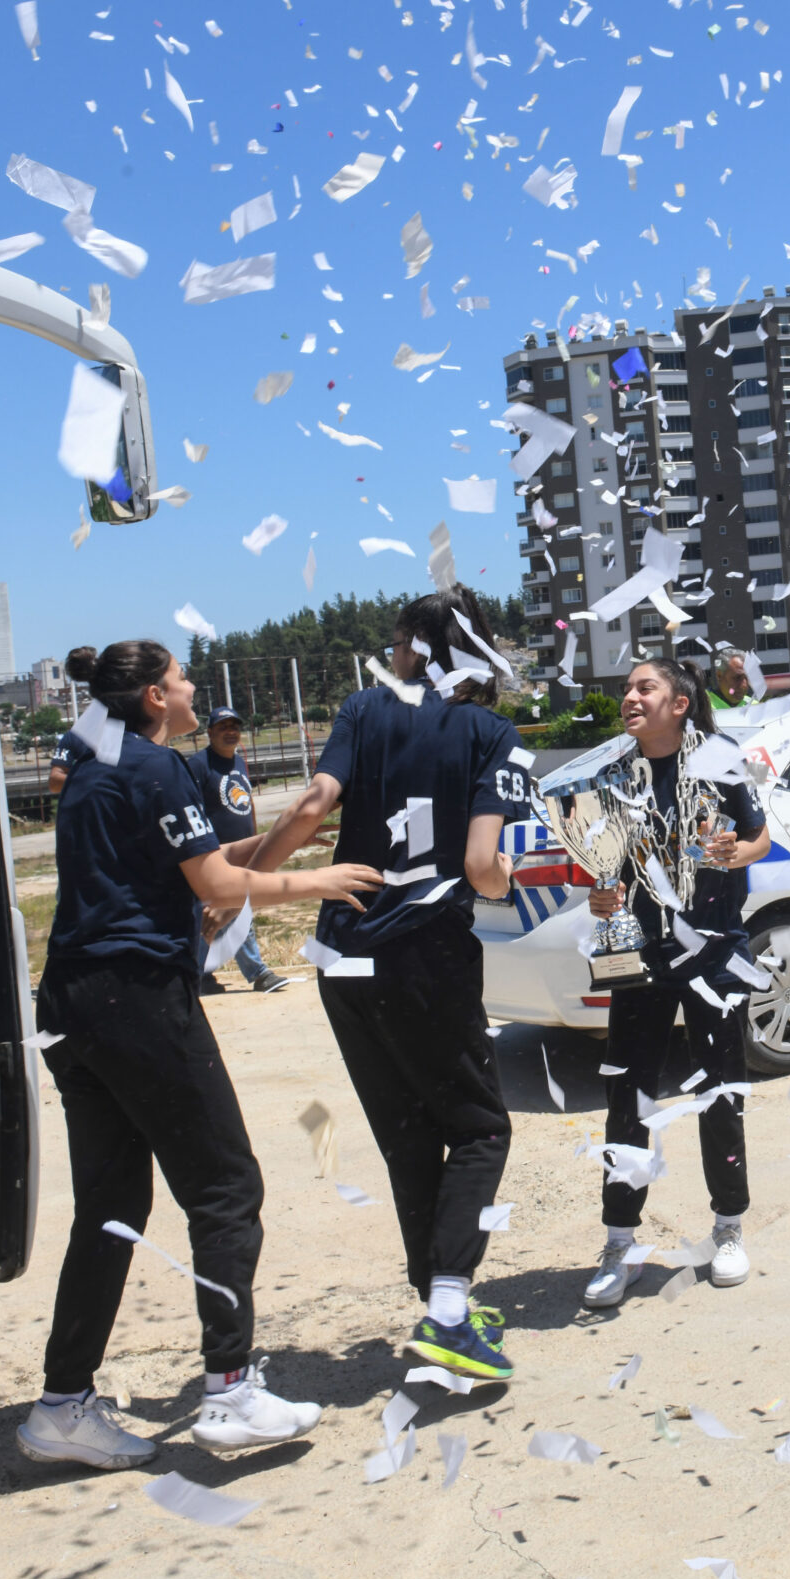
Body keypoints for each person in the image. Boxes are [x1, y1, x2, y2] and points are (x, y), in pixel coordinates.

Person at [17, 640, 382, 1470]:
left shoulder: (92, 762)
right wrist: (318, 881)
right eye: (181, 681)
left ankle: (61, 1403)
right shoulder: (158, 767)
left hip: (70, 999)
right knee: (225, 1187)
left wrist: (284, 841)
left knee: (111, 1205)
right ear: (154, 696)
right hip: (137, 998)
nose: (191, 692)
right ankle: (228, 1389)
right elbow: (217, 888)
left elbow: (203, 870)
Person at [250, 591, 532, 1379]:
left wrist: (240, 884)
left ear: (408, 643)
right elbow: (481, 865)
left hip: (343, 956)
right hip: (425, 954)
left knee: (408, 1132)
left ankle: (440, 1303)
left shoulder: (364, 709)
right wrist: (503, 878)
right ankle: (447, 1311)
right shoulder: (491, 733)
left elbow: (312, 806)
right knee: (479, 1129)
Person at [580, 657, 774, 1309]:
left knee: (721, 1089)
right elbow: (606, 865)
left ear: (679, 703)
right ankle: (619, 1244)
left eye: (644, 687)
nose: (629, 696)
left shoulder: (719, 759)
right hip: (642, 954)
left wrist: (736, 854)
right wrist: (602, 898)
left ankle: (727, 1228)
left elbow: (760, 836)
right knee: (627, 1098)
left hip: (715, 947)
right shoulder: (614, 773)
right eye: (627, 687)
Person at [188, 706, 295, 994]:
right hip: (216, 853)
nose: (230, 731)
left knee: (227, 910)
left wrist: (257, 837)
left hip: (244, 850)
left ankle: (198, 974)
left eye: (234, 726)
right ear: (209, 732)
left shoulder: (239, 763)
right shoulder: (199, 765)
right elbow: (192, 810)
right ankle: (257, 973)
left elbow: (246, 804)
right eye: (223, 727)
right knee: (230, 908)